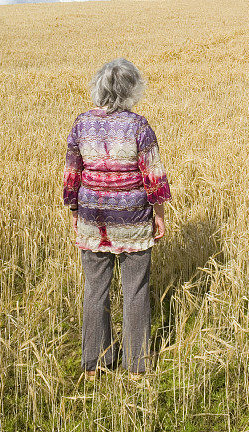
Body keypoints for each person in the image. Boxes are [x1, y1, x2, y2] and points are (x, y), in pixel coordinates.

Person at [62, 58, 172, 382]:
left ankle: (94, 364)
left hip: (92, 219)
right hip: (133, 220)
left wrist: (75, 212)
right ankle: (136, 366)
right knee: (135, 290)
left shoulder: (81, 124)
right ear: (131, 90)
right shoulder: (139, 126)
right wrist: (160, 216)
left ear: (100, 87)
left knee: (95, 289)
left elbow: (72, 176)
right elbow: (154, 175)